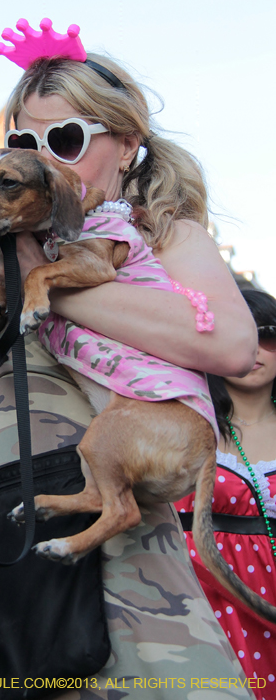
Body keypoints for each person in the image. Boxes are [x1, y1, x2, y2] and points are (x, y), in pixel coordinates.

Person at [0, 18, 258, 699]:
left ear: (126, 146)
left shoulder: (156, 235)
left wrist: (42, 281)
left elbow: (233, 346)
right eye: (27, 144)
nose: (46, 163)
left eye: (65, 140)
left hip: (124, 585)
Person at [176, 289, 276, 699]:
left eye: (266, 333)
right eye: (236, 332)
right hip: (192, 588)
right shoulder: (182, 415)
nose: (251, 346)